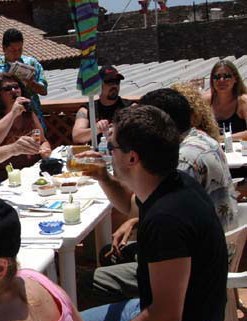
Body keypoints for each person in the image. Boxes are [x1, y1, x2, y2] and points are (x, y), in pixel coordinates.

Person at [80, 105, 228, 321]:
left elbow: (166, 315)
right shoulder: (173, 184)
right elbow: (129, 205)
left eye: (110, 148)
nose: (107, 154)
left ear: (132, 158)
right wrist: (103, 177)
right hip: (170, 318)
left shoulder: (166, 220)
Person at [87, 88, 237, 303]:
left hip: (197, 266)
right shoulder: (200, 139)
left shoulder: (183, 160)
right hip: (213, 246)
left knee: (89, 279)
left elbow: (140, 209)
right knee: (110, 253)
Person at [0, 73, 52, 182]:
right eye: (7, 88)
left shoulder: (29, 114)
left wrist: (46, 152)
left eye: (16, 87)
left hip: (33, 172)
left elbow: (42, 141)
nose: (13, 91)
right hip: (5, 177)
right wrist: (13, 113)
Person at [0, 28, 48, 131]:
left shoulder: (32, 63)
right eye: (13, 50)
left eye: (20, 50)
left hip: (32, 118)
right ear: (4, 48)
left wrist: (31, 83)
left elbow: (44, 91)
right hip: (6, 121)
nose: (17, 54)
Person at [72, 66, 133, 144]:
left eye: (117, 81)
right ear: (98, 85)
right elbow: (77, 137)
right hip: (96, 154)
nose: (114, 85)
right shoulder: (87, 109)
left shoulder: (130, 107)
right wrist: (96, 129)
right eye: (109, 82)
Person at [204, 59, 247, 140]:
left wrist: (223, 138)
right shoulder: (205, 101)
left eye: (227, 76)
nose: (221, 80)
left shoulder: (243, 101)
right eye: (217, 77)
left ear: (235, 79)